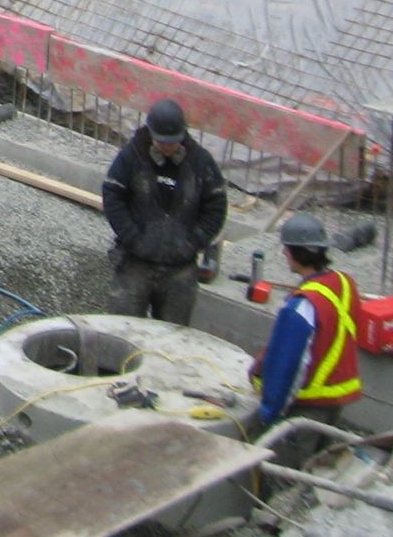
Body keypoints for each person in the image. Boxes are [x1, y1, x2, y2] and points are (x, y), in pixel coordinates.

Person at [100, 98, 227, 324]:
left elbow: (216, 205)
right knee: (122, 330)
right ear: (151, 134)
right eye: (162, 142)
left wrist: (194, 241)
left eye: (173, 143)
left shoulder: (200, 162)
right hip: (135, 265)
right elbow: (112, 195)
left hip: (180, 272)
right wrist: (132, 238)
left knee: (172, 340)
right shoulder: (132, 157)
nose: (168, 148)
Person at [253, 213, 363, 427]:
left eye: (287, 248)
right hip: (336, 400)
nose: (284, 252)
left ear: (296, 253)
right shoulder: (345, 283)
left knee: (283, 460)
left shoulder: (302, 306)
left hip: (307, 406)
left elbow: (287, 367)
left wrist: (269, 414)